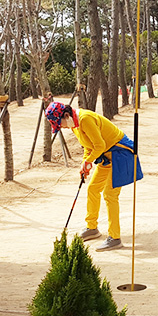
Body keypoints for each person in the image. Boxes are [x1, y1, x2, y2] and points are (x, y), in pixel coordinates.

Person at [45, 102, 132, 251]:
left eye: (61, 124)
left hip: (120, 154)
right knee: (92, 189)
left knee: (110, 194)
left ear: (66, 115)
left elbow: (99, 145)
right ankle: (92, 228)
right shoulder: (74, 124)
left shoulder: (85, 119)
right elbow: (88, 146)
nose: (63, 127)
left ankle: (115, 238)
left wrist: (89, 161)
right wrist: (85, 164)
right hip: (107, 156)